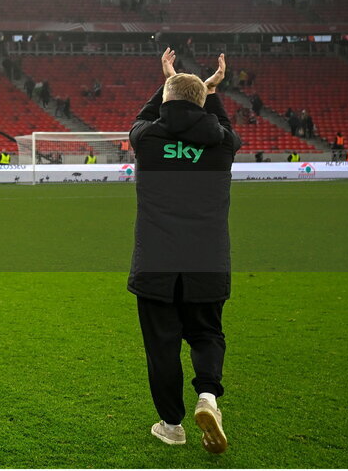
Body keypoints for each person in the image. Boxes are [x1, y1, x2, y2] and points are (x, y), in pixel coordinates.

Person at [129, 48, 239, 454]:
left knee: (162, 347)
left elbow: (141, 119)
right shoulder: (222, 144)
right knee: (207, 333)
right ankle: (208, 396)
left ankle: (172, 425)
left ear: (166, 99)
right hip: (207, 259)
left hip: (156, 261)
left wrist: (168, 80)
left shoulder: (147, 139)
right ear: (202, 102)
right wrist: (212, 90)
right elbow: (224, 125)